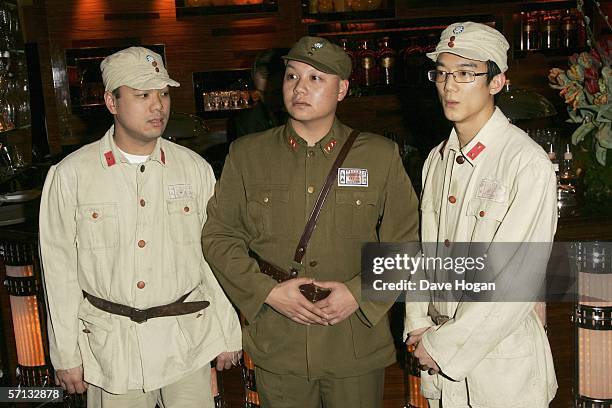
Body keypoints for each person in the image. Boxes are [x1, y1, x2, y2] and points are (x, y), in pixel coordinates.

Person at [202, 36, 419, 408]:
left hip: (354, 340)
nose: (300, 87)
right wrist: (266, 292)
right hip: (278, 339)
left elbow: (407, 242)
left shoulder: (380, 156)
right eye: (292, 76)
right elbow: (219, 236)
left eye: (316, 78)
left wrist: (358, 291)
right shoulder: (247, 154)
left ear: (343, 89)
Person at [39, 46, 242, 408]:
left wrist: (228, 329)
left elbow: (212, 255)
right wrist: (66, 352)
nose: (158, 106)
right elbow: (59, 271)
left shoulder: (194, 169)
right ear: (112, 102)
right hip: (111, 349)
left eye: (163, 94)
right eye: (142, 95)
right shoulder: (72, 175)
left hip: (185, 341)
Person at [404, 22, 558, 407]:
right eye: (441, 73)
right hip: (440, 360)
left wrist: (442, 345)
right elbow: (424, 253)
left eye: (465, 74)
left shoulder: (525, 163)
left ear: (496, 82)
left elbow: (515, 281)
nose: (449, 86)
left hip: (499, 365)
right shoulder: (436, 160)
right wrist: (418, 323)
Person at [227, 48, 289, 141]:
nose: (269, 99)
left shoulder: (310, 113)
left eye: (276, 92)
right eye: (262, 93)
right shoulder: (247, 122)